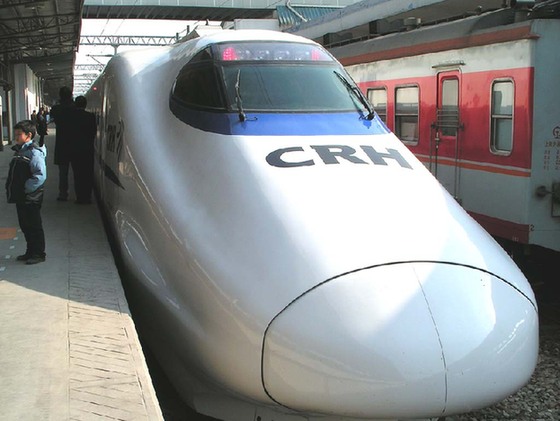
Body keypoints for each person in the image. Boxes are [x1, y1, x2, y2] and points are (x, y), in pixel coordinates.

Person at [5, 120, 47, 265]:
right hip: (22, 196)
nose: (15, 137)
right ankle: (30, 251)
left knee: (34, 225)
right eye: (15, 134)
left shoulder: (34, 153)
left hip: (31, 197)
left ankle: (39, 253)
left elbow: (40, 175)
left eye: (18, 134)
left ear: (28, 135)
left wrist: (26, 189)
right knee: (25, 225)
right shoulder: (20, 150)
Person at [49, 86, 75, 201]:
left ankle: (63, 193)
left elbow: (54, 115)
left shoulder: (56, 109)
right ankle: (80, 194)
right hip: (75, 144)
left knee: (63, 173)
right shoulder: (75, 108)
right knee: (78, 171)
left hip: (62, 145)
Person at [71, 96, 97, 204]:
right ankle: (87, 197)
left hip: (75, 150)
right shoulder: (91, 116)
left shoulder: (71, 117)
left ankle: (80, 197)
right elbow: (93, 132)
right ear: (85, 105)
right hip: (88, 150)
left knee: (77, 174)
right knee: (88, 173)